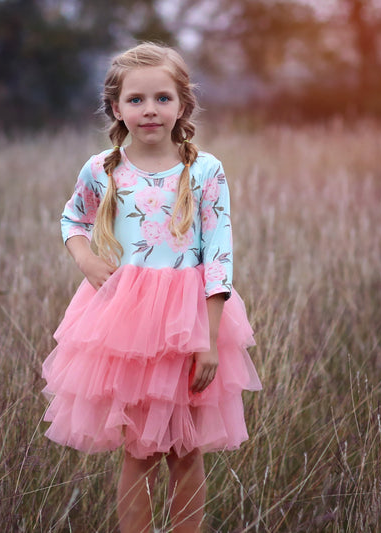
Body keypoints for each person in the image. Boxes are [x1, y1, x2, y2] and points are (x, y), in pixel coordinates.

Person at [41, 42, 262, 533]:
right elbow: (72, 218)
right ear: (116, 107)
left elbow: (219, 255)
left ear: (182, 104)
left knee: (186, 452)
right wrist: (85, 258)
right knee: (139, 452)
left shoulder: (204, 170)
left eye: (162, 98)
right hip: (127, 325)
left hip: (192, 321)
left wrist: (208, 338)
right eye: (136, 100)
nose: (150, 110)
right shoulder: (103, 168)